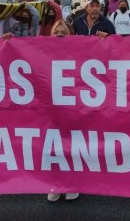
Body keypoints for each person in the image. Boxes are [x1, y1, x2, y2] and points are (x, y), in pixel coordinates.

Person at [47, 19, 80, 202]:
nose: (59, 34)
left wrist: (104, 42)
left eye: (64, 31)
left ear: (71, 35)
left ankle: (72, 183)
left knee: (72, 146)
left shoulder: (80, 51)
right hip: (50, 108)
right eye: (56, 31)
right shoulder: (39, 50)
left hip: (73, 106)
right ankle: (56, 183)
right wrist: (7, 42)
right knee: (52, 148)